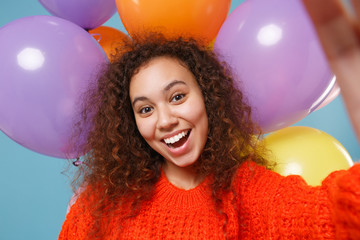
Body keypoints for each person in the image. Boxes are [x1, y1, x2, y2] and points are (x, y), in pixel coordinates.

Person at [59, 0, 360, 239]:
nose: (165, 121)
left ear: (208, 98)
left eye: (177, 97)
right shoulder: (102, 205)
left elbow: (338, 218)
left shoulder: (250, 194)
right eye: (145, 109)